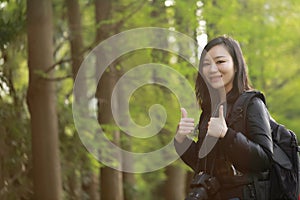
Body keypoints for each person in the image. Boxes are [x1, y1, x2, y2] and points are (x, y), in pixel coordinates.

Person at [174, 35, 273, 200]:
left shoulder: (252, 104)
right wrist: (181, 140)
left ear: (236, 66)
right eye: (206, 64)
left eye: (220, 62)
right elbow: (203, 165)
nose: (212, 69)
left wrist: (227, 135)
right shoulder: (209, 110)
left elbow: (264, 160)